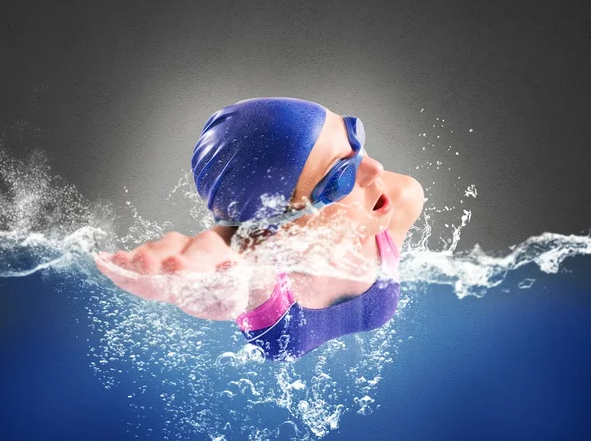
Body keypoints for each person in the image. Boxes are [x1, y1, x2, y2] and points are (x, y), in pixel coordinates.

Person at [96, 97, 424, 361]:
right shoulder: (264, 264)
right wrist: (183, 268)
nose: (375, 168)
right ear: (283, 221)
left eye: (356, 136)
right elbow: (219, 248)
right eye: (342, 175)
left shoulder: (398, 198)